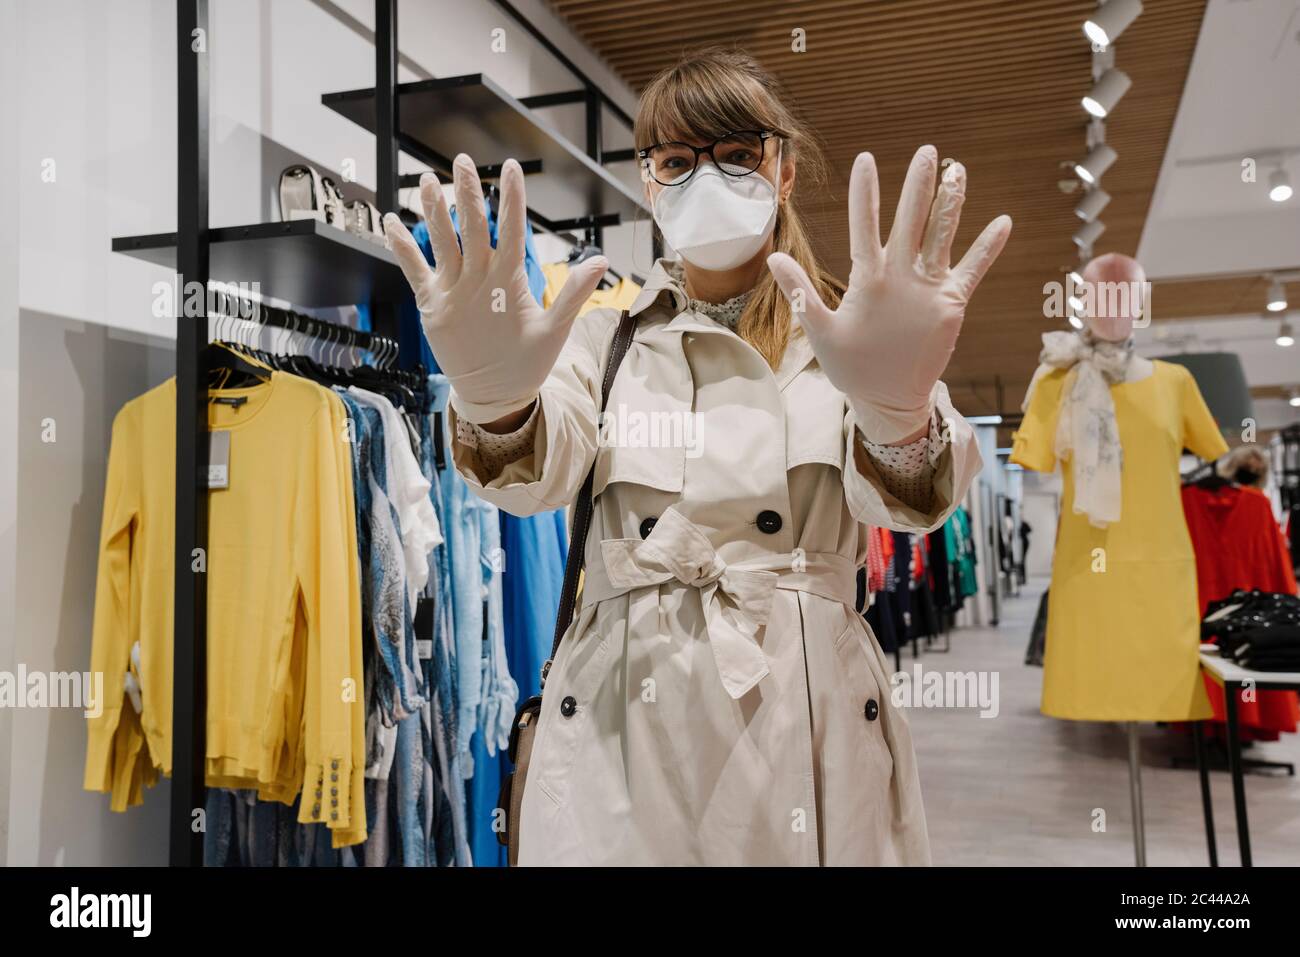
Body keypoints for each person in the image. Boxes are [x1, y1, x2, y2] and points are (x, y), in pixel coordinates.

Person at [383, 48, 1010, 866]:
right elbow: (536, 476)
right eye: (675, 161)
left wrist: (900, 414)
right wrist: (497, 400)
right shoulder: (601, 339)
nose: (703, 180)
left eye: (737, 154)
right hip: (624, 735)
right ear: (648, 182)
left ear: (782, 171)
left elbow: (913, 501)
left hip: (805, 721)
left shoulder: (852, 334)